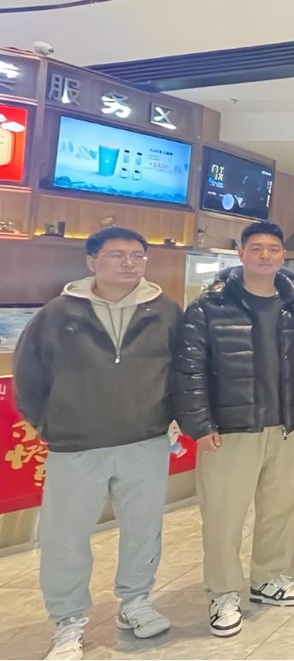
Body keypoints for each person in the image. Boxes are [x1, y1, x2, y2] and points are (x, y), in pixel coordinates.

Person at [15, 228, 181, 660]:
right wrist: (50, 424)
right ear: (92, 261)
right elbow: (29, 375)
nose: (129, 263)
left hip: (145, 440)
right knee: (66, 536)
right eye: (116, 255)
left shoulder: (165, 311)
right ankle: (68, 622)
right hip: (77, 445)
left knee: (143, 528)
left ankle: (136, 602)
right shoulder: (58, 313)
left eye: (137, 256)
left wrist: (172, 418)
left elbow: (182, 370)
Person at [173, 221, 294, 638]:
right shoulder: (209, 307)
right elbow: (189, 370)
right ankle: (223, 592)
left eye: (273, 249)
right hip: (231, 428)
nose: (265, 255)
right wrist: (199, 423)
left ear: (283, 256)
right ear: (241, 254)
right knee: (223, 515)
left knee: (281, 508)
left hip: (286, 426)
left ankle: (268, 578)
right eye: (256, 248)